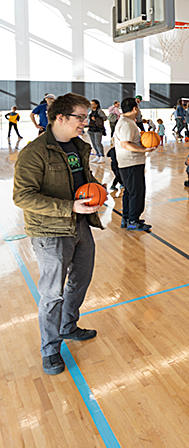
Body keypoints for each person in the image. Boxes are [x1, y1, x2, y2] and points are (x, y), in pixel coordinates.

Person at [12, 92, 105, 375]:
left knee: (81, 279)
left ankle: (68, 326)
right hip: (50, 231)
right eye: (81, 117)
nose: (85, 123)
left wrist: (97, 192)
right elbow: (22, 196)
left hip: (80, 225)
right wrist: (69, 206)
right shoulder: (34, 153)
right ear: (60, 117)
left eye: (86, 117)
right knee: (52, 293)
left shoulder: (79, 146)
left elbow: (82, 180)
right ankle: (50, 350)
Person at [115, 97, 156, 231]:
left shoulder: (125, 122)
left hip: (127, 164)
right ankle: (133, 221)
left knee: (130, 192)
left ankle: (126, 219)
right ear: (134, 109)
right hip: (131, 164)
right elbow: (125, 144)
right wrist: (144, 149)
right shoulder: (127, 124)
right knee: (136, 193)